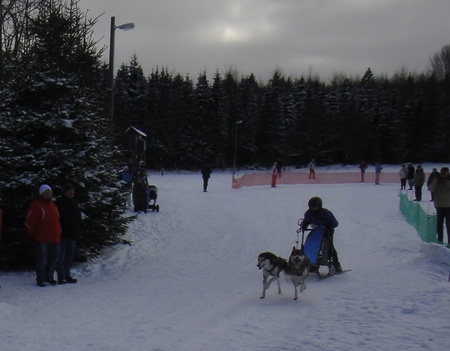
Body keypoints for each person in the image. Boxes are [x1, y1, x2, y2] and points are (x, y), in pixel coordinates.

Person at [25, 185, 62, 287]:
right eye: (46, 193)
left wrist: (59, 231)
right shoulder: (36, 205)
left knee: (54, 258)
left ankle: (49, 277)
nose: (48, 194)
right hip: (42, 237)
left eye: (50, 192)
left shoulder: (53, 205)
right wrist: (31, 233)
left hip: (55, 237)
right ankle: (41, 279)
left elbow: (57, 221)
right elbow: (29, 221)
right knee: (42, 259)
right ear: (41, 193)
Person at [301, 196, 342, 273]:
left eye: (315, 207)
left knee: (329, 247)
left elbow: (335, 223)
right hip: (316, 231)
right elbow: (307, 220)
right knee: (310, 244)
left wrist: (329, 225)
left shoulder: (326, 213)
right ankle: (312, 263)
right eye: (311, 207)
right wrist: (305, 224)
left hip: (327, 232)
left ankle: (337, 265)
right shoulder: (308, 213)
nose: (313, 209)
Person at [55, 183, 82, 284]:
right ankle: (61, 276)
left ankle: (67, 275)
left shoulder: (74, 203)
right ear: (65, 192)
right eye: (69, 191)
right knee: (61, 256)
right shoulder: (59, 203)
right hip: (63, 235)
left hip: (73, 234)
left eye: (73, 191)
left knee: (69, 257)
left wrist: (78, 231)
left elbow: (78, 218)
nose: (72, 192)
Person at [429, 167, 450, 245]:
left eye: (445, 172)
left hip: (448, 206)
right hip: (439, 205)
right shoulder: (437, 179)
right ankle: (440, 240)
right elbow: (431, 188)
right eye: (442, 172)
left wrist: (447, 181)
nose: (444, 173)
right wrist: (436, 180)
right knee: (439, 225)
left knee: (449, 225)